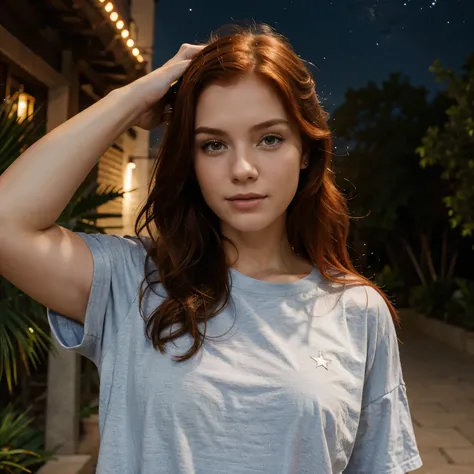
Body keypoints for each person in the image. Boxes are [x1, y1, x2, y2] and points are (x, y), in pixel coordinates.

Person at [0, 24, 422, 474]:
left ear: (305, 151)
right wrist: (133, 97)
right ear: (191, 159)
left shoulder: (358, 310)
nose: (242, 169)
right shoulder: (132, 282)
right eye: (214, 144)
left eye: (270, 139)